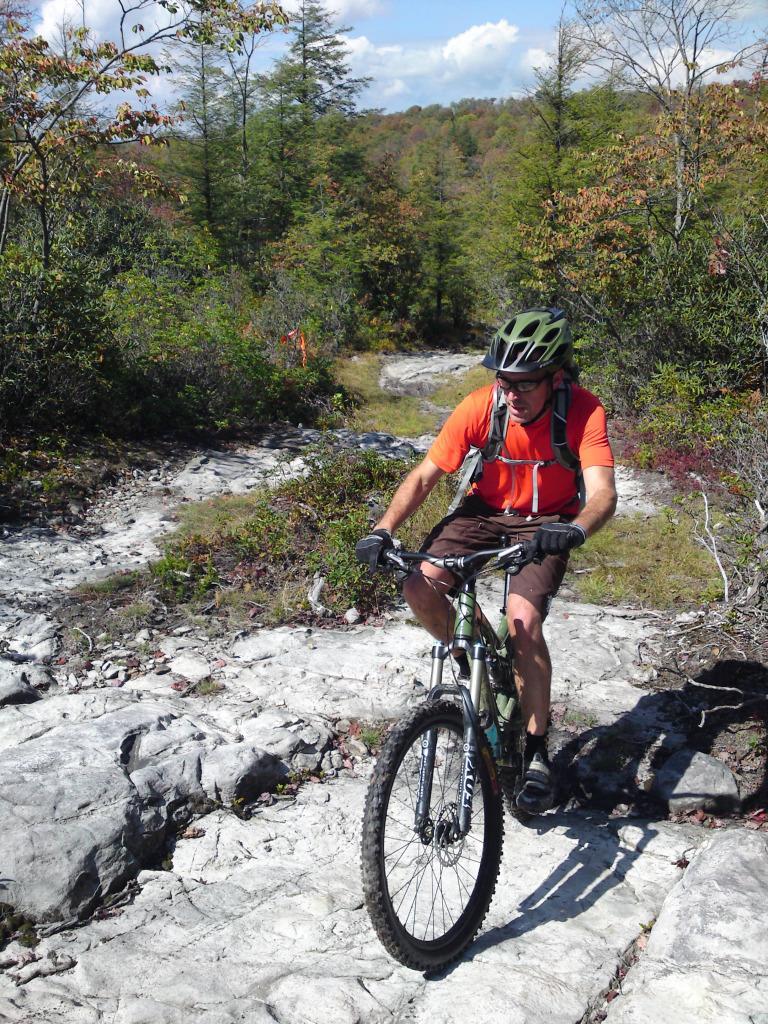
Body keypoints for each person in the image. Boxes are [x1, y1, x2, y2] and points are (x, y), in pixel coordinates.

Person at [355, 307, 617, 814]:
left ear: (554, 376)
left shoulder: (583, 411)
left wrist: (574, 529)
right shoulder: (482, 406)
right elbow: (424, 475)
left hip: (548, 522)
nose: (512, 394)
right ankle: (472, 654)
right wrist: (383, 529)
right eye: (504, 381)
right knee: (419, 585)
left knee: (523, 622)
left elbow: (603, 494)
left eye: (525, 383)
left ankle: (538, 753)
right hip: (483, 512)